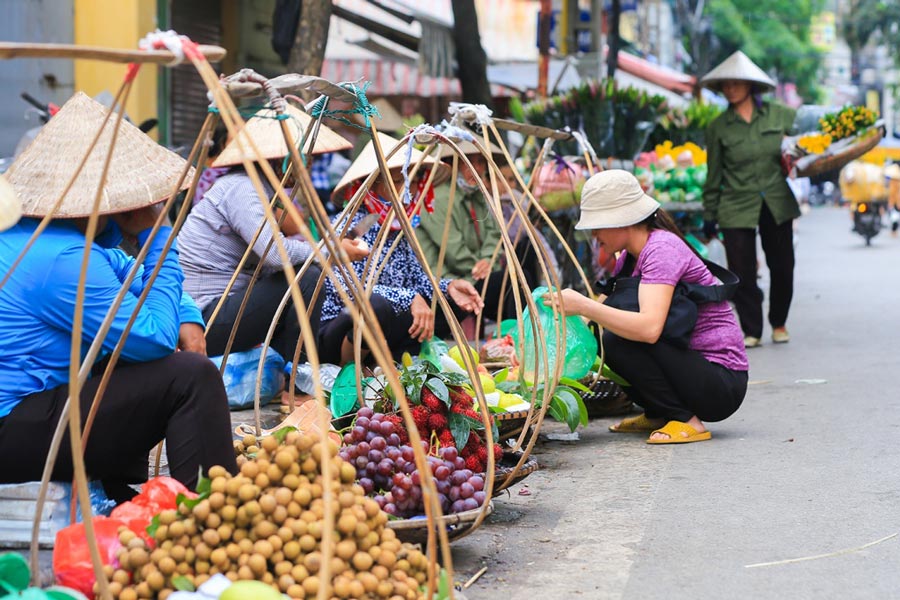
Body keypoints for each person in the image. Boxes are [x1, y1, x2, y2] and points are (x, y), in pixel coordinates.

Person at [0, 92, 236, 498]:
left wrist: (187, 313)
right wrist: (157, 234)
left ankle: (118, 487)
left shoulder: (40, 234)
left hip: (29, 414)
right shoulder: (62, 257)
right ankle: (210, 511)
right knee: (190, 377)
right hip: (12, 427)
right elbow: (153, 338)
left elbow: (128, 272)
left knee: (118, 350)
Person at [544, 170, 748, 444]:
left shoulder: (661, 249)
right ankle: (658, 412)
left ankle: (686, 420)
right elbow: (598, 312)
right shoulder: (629, 257)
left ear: (621, 221)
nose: (594, 235)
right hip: (693, 370)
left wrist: (584, 306)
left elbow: (650, 329)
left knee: (618, 340)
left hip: (722, 382)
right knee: (606, 339)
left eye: (597, 225)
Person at [178, 102, 366, 364]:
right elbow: (275, 254)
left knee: (302, 272)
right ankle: (299, 378)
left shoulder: (259, 191)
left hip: (223, 309)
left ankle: (287, 373)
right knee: (307, 277)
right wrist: (331, 250)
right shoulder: (242, 188)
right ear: (281, 161)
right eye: (302, 158)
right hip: (203, 319)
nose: (307, 165)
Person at [322, 133, 484, 365]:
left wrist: (449, 286)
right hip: (341, 330)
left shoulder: (399, 226)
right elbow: (350, 291)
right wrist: (409, 298)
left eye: (414, 180)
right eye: (399, 181)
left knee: (452, 301)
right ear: (372, 184)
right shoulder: (349, 224)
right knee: (376, 306)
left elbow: (417, 280)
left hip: (389, 320)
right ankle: (352, 369)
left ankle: (397, 359)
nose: (409, 188)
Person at [701, 50, 799, 348]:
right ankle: (752, 328)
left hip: (776, 201)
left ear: (750, 85)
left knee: (782, 265)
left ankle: (779, 321)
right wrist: (709, 213)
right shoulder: (717, 126)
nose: (730, 88)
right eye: (726, 84)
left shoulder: (780, 114)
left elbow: (807, 144)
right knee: (741, 271)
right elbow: (714, 172)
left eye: (736, 83)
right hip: (734, 204)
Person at [417, 141, 538, 321]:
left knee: (525, 258)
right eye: (468, 162)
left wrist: (488, 260)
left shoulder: (478, 195)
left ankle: (520, 333)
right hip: (450, 279)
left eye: (480, 162)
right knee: (517, 280)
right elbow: (453, 250)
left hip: (475, 273)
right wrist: (479, 267)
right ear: (452, 164)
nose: (476, 169)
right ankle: (520, 335)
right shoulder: (439, 197)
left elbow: (495, 232)